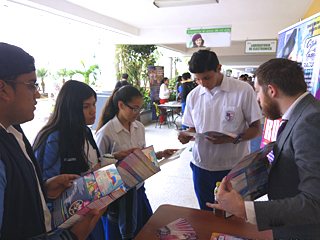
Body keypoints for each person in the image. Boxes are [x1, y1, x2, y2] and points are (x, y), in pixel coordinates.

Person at [0, 42, 104, 239]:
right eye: (31, 85)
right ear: (3, 89)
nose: (37, 94)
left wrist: (44, 189)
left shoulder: (14, 131)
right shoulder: (52, 139)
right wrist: (70, 237)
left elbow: (15, 199)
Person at [207, 58, 320, 239]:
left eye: (258, 92)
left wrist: (244, 209)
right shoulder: (303, 113)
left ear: (272, 90)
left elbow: (315, 202)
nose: (258, 99)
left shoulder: (310, 120)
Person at [177, 49, 262, 211]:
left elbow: (256, 130)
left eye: (206, 78)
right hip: (201, 166)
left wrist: (233, 138)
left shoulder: (243, 90)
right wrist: (186, 135)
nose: (203, 84)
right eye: (198, 79)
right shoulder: (194, 95)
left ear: (218, 68)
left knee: (233, 216)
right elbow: (192, 127)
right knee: (206, 213)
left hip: (233, 167)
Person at [95, 85, 177, 240]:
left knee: (144, 231)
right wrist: (115, 158)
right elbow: (97, 169)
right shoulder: (106, 132)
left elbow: (140, 156)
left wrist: (158, 155)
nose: (138, 113)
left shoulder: (139, 127)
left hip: (138, 189)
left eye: (140, 109)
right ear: (120, 105)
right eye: (134, 109)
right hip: (117, 197)